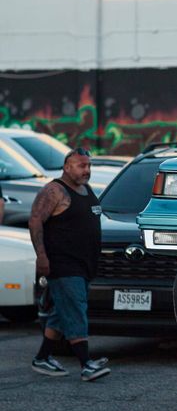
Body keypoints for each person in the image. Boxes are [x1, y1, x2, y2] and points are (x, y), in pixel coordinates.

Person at [28, 147, 110, 381]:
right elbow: (35, 222)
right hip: (63, 264)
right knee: (76, 310)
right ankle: (86, 364)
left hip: (84, 265)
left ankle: (42, 357)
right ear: (67, 167)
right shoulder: (54, 191)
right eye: (81, 166)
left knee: (61, 313)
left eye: (89, 166)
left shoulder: (85, 189)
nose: (87, 170)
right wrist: (41, 256)